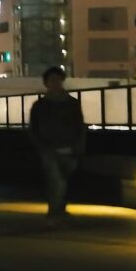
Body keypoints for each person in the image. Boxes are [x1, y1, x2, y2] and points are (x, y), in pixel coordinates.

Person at [29, 66, 86, 226]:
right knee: (56, 180)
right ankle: (55, 210)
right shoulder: (40, 106)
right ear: (46, 83)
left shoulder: (72, 104)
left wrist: (77, 146)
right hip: (49, 150)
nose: (54, 83)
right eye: (51, 80)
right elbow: (34, 129)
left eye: (57, 80)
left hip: (69, 148)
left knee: (62, 180)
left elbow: (79, 125)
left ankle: (57, 209)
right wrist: (42, 146)